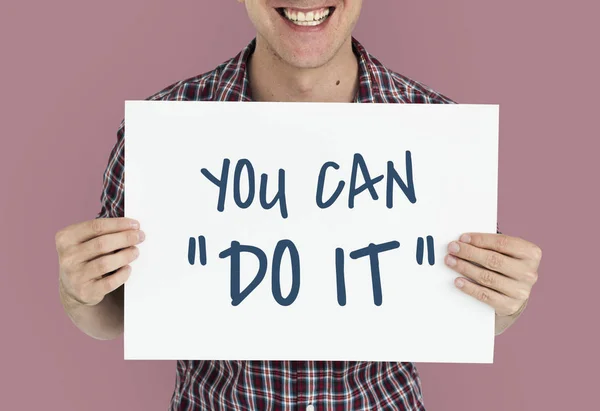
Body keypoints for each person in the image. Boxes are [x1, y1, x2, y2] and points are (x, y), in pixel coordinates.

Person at [55, 1, 542, 410]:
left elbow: (473, 307)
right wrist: (79, 292)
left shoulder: (441, 133)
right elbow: (115, 312)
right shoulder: (163, 131)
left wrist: (507, 300)